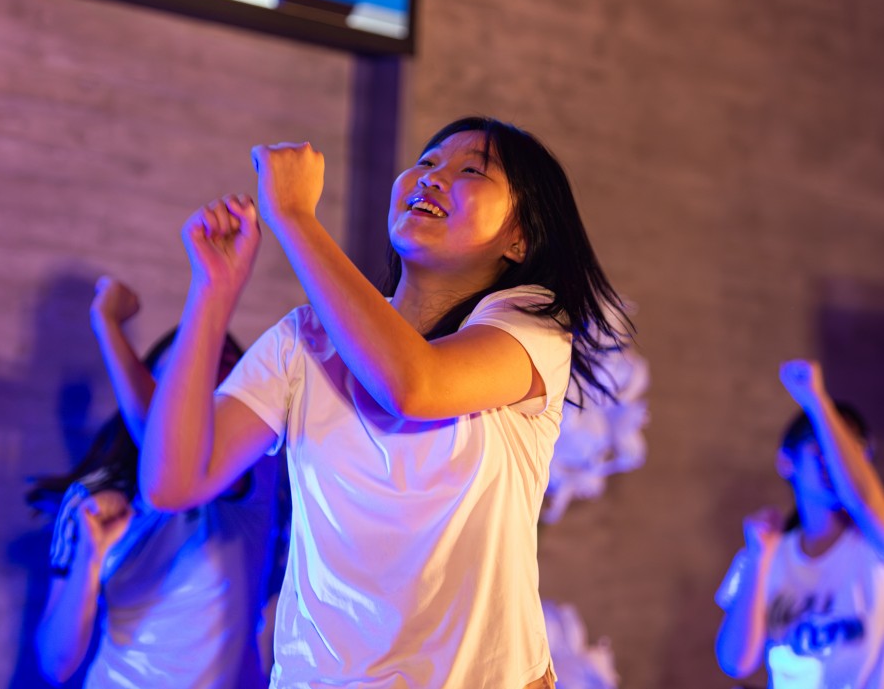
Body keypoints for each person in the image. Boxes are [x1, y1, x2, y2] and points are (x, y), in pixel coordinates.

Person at [139, 116, 631, 688]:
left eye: (471, 171)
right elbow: (174, 481)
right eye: (427, 162)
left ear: (518, 239)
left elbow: (413, 385)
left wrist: (296, 219)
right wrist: (213, 290)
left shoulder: (529, 328)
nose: (432, 177)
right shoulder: (306, 339)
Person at [32, 277, 284, 689]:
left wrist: (109, 326)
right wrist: (89, 559)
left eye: (224, 366)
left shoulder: (254, 468)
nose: (204, 380)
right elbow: (56, 663)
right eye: (187, 370)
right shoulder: (91, 497)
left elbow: (169, 452)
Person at [715, 359, 884, 688]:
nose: (833, 460)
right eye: (820, 445)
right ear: (786, 460)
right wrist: (759, 559)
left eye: (850, 450)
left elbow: (862, 500)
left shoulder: (873, 545)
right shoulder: (764, 551)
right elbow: (735, 662)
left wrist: (817, 401)